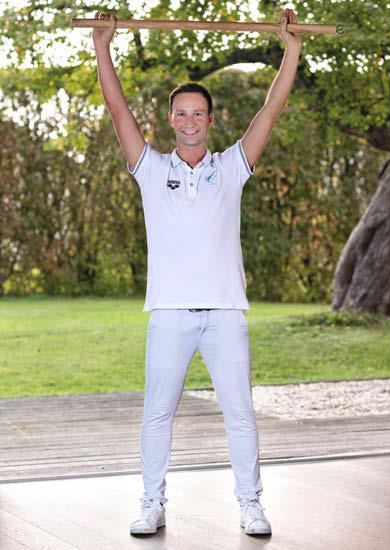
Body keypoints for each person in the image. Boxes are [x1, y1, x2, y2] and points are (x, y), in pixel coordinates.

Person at [92, 7, 302, 537]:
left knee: (241, 414)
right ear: (171, 120)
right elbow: (117, 109)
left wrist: (292, 48)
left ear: (210, 120)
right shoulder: (151, 169)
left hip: (225, 313)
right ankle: (151, 503)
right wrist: (102, 46)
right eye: (181, 113)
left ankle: (251, 505)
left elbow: (271, 111)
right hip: (169, 314)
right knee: (157, 414)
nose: (189, 121)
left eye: (198, 114)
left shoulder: (231, 167)